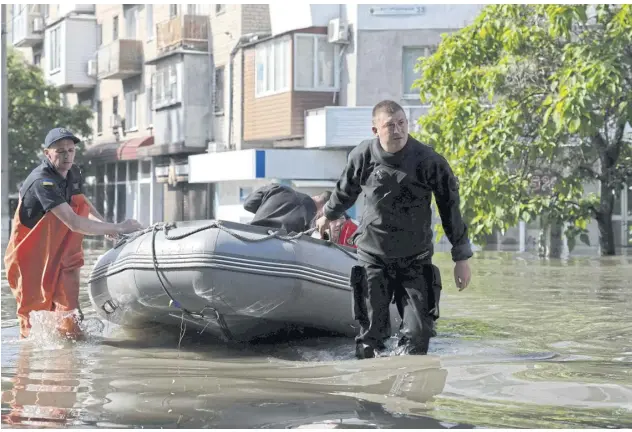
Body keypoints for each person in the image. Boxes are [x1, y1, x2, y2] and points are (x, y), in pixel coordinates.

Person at [315, 100, 473, 359]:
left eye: (402, 123)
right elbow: (345, 192)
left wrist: (461, 258)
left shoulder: (429, 161)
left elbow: (450, 209)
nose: (398, 130)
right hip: (373, 257)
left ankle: (410, 395)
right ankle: (370, 393)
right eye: (390, 125)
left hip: (416, 258)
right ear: (376, 130)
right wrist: (328, 215)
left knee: (419, 335)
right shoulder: (362, 155)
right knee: (370, 340)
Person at [4, 127, 144, 340]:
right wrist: (119, 227)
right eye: (60, 151)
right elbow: (74, 222)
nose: (67, 155)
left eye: (70, 150)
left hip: (61, 252)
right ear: (47, 153)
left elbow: (81, 204)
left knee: (71, 318)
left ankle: (70, 362)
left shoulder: (73, 172)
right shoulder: (43, 182)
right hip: (30, 259)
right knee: (33, 325)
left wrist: (106, 227)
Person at [243, 183, 331, 234]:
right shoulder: (309, 222)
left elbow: (248, 204)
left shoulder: (278, 188)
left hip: (250, 236)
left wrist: (266, 211)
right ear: (326, 208)